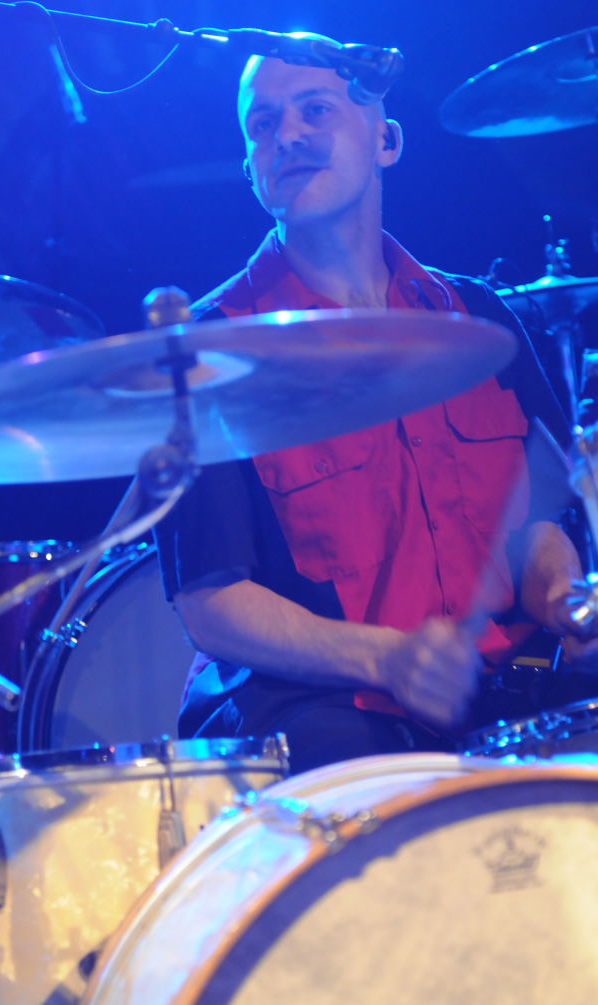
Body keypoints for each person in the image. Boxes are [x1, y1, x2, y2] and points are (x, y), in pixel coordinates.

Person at [155, 37, 597, 774]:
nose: (288, 135)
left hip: (506, 680)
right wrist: (387, 658)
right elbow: (211, 605)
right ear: (250, 171)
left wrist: (561, 600)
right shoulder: (213, 349)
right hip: (324, 700)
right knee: (361, 784)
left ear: (386, 141)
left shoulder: (479, 319)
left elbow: (540, 527)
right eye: (264, 124)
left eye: (315, 110)